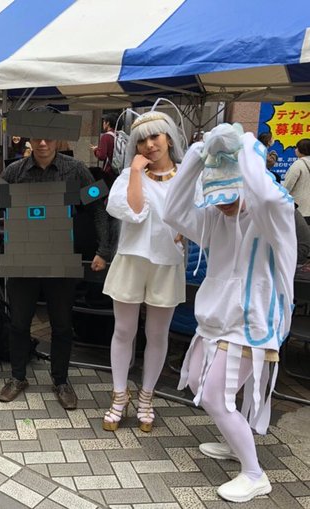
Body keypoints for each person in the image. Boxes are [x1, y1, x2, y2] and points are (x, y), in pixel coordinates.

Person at [163, 123, 295, 503]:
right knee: (203, 385)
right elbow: (173, 210)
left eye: (230, 194)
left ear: (246, 184)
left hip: (253, 323)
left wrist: (247, 145)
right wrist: (197, 154)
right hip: (216, 319)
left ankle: (254, 474)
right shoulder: (215, 218)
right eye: (216, 195)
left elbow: (266, 197)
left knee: (214, 396)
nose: (223, 203)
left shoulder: (274, 215)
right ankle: (235, 440)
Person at [0, 124, 111, 410]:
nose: (42, 143)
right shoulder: (14, 171)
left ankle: (61, 380)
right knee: (18, 323)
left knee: (61, 325)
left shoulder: (76, 170)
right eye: (36, 137)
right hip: (22, 258)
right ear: (29, 138)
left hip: (60, 259)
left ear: (57, 138)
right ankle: (17, 377)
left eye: (48, 137)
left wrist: (103, 250)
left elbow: (98, 206)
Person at [101, 110, 186, 433]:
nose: (149, 145)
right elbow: (135, 211)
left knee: (157, 334)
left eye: (155, 137)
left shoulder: (185, 176)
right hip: (131, 259)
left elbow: (198, 218)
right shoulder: (128, 175)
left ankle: (147, 396)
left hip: (167, 262)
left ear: (168, 138)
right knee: (123, 330)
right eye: (142, 140)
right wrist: (136, 171)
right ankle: (119, 395)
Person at [282, 138, 310, 219]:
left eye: (297, 148)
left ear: (302, 150)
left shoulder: (298, 165)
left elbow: (287, 187)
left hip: (299, 210)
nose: (295, 150)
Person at [90, 113, 117, 181]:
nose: (103, 124)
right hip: (118, 170)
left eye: (104, 122)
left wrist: (95, 150)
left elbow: (102, 156)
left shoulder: (105, 136)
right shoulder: (118, 135)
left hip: (108, 172)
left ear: (108, 123)